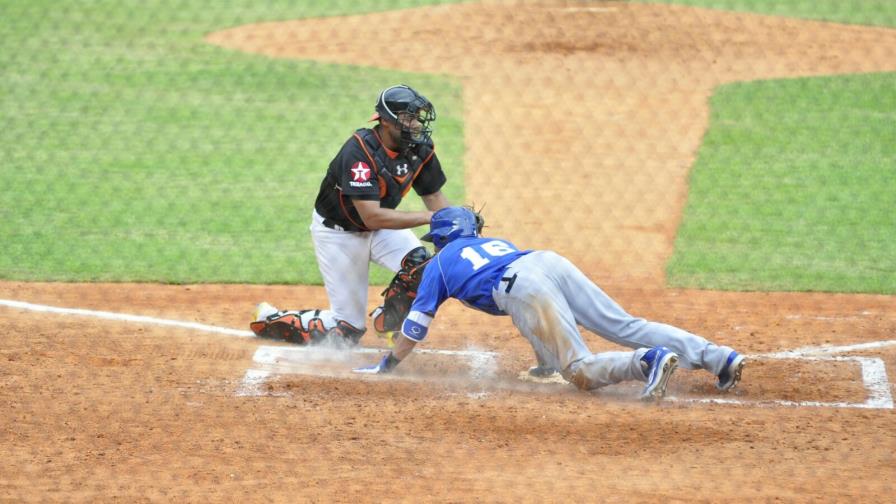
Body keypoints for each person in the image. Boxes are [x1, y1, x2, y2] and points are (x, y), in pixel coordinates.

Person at [354, 206, 746, 401]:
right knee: (625, 324)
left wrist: (388, 364)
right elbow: (529, 312)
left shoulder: (439, 264)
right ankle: (719, 357)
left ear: (440, 237)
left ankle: (646, 361)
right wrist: (544, 364)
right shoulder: (494, 243)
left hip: (522, 285)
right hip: (546, 261)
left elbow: (416, 327)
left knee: (579, 371)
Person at [250, 84, 450, 346]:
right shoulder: (359, 153)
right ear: (386, 120)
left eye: (417, 118)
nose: (415, 124)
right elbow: (371, 216)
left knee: (424, 268)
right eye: (408, 118)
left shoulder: (419, 148)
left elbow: (434, 197)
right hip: (339, 234)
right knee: (345, 333)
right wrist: (431, 218)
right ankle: (269, 318)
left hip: (380, 229)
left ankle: (388, 322)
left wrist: (454, 228)